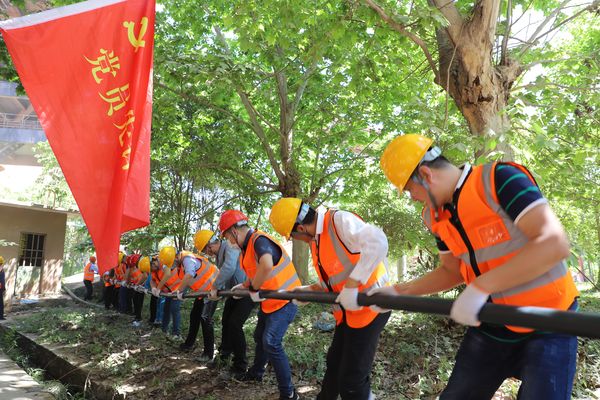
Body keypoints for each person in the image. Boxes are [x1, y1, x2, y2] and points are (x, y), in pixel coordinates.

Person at [376, 134, 579, 399]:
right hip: (493, 322)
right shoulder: (435, 215)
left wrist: (481, 287)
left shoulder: (500, 179)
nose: (412, 198)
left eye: (409, 189)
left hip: (550, 320)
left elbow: (553, 244)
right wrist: (399, 292)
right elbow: (451, 270)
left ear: (425, 175)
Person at [270, 198, 392, 400]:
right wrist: (308, 291)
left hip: (371, 308)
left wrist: (352, 285)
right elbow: (334, 281)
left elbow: (378, 242)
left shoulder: (339, 221)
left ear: (301, 228)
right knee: (334, 362)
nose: (296, 240)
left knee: (352, 380)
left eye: (293, 237)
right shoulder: (317, 241)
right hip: (348, 313)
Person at [219, 209, 301, 400]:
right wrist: (245, 285)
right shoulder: (247, 248)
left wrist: (253, 288)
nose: (228, 242)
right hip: (271, 302)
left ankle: (289, 393)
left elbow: (266, 264)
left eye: (227, 237)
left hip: (286, 300)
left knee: (271, 342)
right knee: (259, 336)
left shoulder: (259, 240)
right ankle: (256, 373)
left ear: (234, 231)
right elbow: (257, 271)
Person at [194, 230, 254, 377]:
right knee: (226, 321)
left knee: (234, 324)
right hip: (234, 292)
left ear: (210, 245)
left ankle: (240, 366)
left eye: (207, 250)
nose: (208, 253)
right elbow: (224, 274)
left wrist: (215, 287)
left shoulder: (229, 246)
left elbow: (229, 268)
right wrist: (218, 291)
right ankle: (224, 355)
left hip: (247, 290)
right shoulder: (220, 254)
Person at [177, 249, 219, 360]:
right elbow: (188, 279)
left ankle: (208, 354)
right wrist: (181, 290)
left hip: (212, 289)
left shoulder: (187, 259)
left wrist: (180, 291)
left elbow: (189, 274)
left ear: (176, 257)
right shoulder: (183, 262)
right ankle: (189, 344)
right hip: (203, 293)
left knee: (205, 319)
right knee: (194, 316)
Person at [154, 246, 184, 339]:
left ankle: (176, 333)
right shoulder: (164, 262)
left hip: (178, 288)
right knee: (166, 308)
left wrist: (158, 288)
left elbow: (167, 274)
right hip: (170, 291)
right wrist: (156, 288)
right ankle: (164, 329)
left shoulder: (176, 262)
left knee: (174, 309)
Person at [126, 254, 150, 327]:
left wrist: (138, 284)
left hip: (141, 287)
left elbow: (145, 276)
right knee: (135, 301)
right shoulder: (134, 267)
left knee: (139, 303)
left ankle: (139, 319)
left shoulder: (143, 265)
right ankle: (137, 317)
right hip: (137, 287)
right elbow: (129, 278)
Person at [148, 255, 165, 327]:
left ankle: (160, 321)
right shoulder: (154, 270)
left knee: (162, 305)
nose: (152, 269)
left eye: (153, 266)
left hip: (167, 290)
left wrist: (159, 288)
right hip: (159, 289)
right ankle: (155, 319)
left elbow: (166, 279)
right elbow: (152, 280)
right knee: (155, 303)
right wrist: (153, 288)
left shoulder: (164, 268)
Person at [0, 256, 5, 320]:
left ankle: (1, 316)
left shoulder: (2, 270)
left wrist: (3, 288)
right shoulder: (2, 270)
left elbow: (2, 280)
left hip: (1, 289)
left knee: (1, 303)